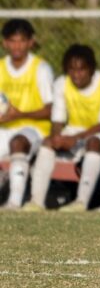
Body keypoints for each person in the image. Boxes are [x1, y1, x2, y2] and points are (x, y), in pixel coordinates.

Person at [24, 45, 100, 211]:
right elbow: (57, 120)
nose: (76, 75)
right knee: (47, 142)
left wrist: (75, 139)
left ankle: (81, 202)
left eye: (82, 69)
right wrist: (56, 138)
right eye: (72, 69)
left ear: (91, 69)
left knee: (93, 143)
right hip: (76, 131)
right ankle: (36, 202)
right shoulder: (61, 83)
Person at [0, 19, 53, 209]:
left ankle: (14, 202)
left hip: (35, 129)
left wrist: (20, 115)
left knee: (18, 141)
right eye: (12, 41)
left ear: (31, 42)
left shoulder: (41, 69)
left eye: (22, 40)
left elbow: (51, 110)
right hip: (5, 128)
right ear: (4, 42)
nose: (17, 46)